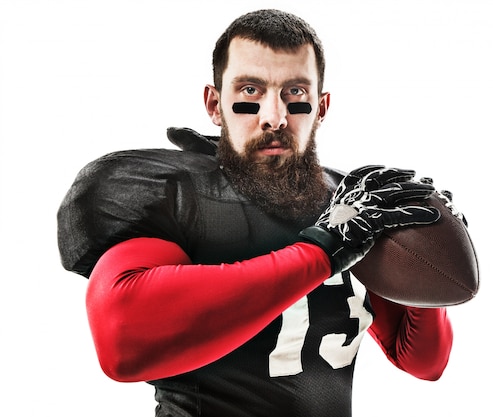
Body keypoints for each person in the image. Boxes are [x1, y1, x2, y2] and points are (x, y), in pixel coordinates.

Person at [57, 9, 454, 417]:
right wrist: (319, 252)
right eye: (250, 91)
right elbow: (121, 342)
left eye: (295, 93)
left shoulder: (350, 204)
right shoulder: (186, 195)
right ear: (215, 104)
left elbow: (423, 362)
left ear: (321, 107)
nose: (274, 117)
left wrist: (430, 248)